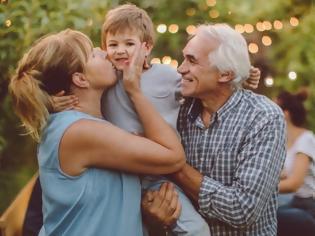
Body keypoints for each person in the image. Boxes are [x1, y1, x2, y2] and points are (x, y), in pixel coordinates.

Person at [52, 4, 261, 236]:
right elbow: (73, 85)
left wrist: (242, 76)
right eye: (112, 45)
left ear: (147, 47)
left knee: (197, 229)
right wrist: (51, 102)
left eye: (129, 44)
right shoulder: (108, 80)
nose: (120, 51)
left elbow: (204, 83)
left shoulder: (167, 76)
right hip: (122, 174)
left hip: (159, 176)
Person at [9, 29, 186, 236]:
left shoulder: (79, 124)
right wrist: (134, 90)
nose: (103, 52)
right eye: (92, 54)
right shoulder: (79, 131)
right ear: (80, 79)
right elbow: (173, 157)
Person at [141, 23, 287, 236]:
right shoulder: (177, 111)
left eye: (192, 60)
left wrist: (172, 162)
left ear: (225, 74)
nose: (181, 68)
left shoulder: (264, 117)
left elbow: (242, 209)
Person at [276, 90, 315, 236]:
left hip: (307, 206)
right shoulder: (287, 142)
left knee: (266, 216)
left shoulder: (306, 139)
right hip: (293, 201)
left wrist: (262, 188)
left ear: (285, 114)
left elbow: (294, 183)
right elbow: (284, 174)